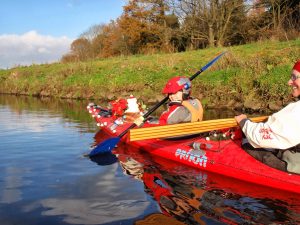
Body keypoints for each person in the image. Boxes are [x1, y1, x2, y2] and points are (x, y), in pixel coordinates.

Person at [235, 60, 300, 174]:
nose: (289, 82)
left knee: (247, 145)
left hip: (295, 166)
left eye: (294, 77)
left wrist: (244, 122)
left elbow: (259, 137)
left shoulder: (296, 111)